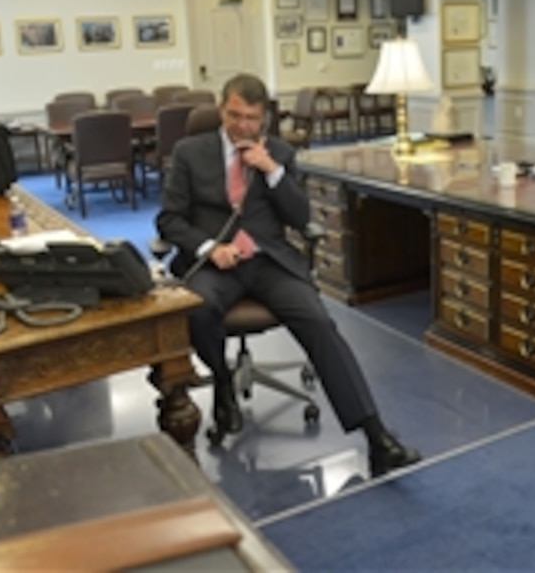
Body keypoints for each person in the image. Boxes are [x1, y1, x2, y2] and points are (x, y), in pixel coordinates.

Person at [157, 73, 420, 477]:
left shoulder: (279, 151)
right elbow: (169, 220)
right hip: (217, 264)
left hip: (269, 263)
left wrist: (273, 172)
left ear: (263, 118)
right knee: (199, 308)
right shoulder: (190, 152)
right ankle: (223, 382)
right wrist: (210, 247)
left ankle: (376, 437)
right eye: (234, 115)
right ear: (220, 108)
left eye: (251, 118)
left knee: (320, 322)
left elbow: (300, 217)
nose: (242, 126)